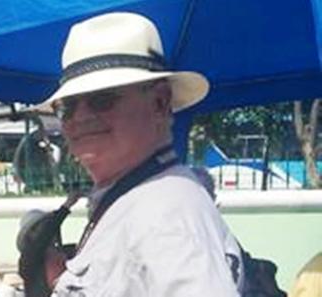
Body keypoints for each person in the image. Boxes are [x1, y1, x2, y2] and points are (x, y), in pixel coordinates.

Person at [29, 12, 244, 296]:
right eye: (67, 107)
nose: (79, 117)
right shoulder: (141, 199)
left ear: (159, 102)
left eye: (102, 99)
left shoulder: (164, 211)